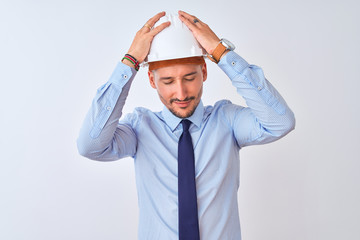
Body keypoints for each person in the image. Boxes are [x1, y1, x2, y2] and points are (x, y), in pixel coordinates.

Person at [77, 10, 295, 240]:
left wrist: (220, 52)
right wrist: (129, 62)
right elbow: (90, 145)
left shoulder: (227, 121)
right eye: (168, 81)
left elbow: (280, 122)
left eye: (190, 78)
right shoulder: (140, 128)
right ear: (152, 80)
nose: (181, 93)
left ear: (204, 72)